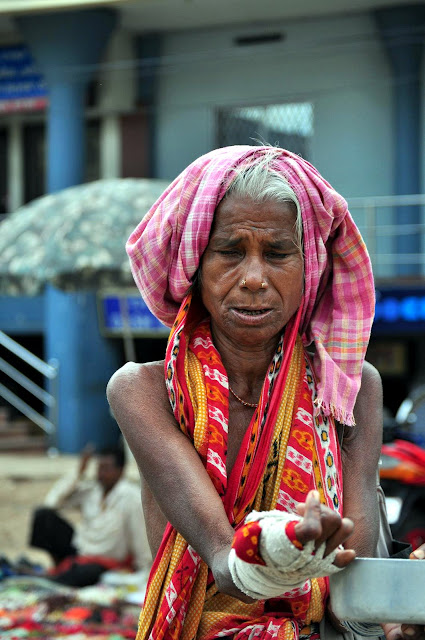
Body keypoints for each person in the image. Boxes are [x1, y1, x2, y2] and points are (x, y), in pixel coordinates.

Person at [106, 146, 423, 640]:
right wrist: (288, 543)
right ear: (196, 262)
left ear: (310, 266)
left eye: (277, 254)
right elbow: (226, 563)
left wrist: (397, 611)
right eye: (231, 251)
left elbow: (358, 574)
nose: (253, 279)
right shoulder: (144, 392)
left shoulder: (352, 390)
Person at [29, 444, 151, 587]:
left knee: (86, 573)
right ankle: (59, 569)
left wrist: (143, 571)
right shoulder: (92, 491)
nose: (101, 474)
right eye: (99, 468)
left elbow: (140, 539)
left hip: (106, 562)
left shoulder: (131, 498)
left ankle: (55, 578)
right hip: (80, 552)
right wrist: (79, 471)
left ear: (120, 470)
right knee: (43, 516)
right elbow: (52, 502)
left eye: (106, 469)